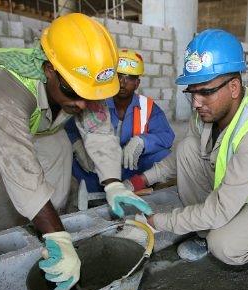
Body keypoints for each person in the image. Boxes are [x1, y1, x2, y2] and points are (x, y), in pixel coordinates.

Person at [0, 13, 152, 290]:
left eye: (91, 95)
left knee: (58, 151)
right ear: (49, 70)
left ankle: (44, 231)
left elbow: (98, 132)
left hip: (38, 109)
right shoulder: (6, 83)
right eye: (74, 91)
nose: (83, 103)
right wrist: (58, 233)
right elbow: (17, 161)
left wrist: (113, 183)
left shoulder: (77, 84)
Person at [127, 29, 248, 266]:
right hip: (240, 187)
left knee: (224, 246)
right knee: (187, 148)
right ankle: (205, 233)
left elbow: (221, 208)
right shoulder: (206, 113)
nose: (196, 103)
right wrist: (142, 180)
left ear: (234, 88)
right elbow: (180, 159)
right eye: (192, 92)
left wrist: (155, 222)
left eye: (205, 92)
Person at [65, 48, 175, 192]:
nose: (122, 83)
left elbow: (167, 135)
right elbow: (69, 127)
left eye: (129, 78)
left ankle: (139, 184)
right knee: (68, 157)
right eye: (119, 76)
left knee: (164, 155)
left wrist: (143, 141)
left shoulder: (147, 106)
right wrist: (77, 144)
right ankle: (96, 194)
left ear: (137, 83)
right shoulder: (97, 101)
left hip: (132, 165)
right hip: (98, 165)